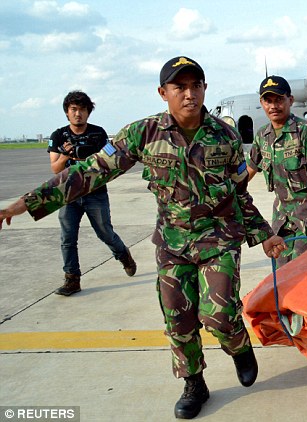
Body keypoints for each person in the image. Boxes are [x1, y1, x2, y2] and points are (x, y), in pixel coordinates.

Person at [0, 56, 287, 420]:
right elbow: (90, 172)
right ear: (162, 92)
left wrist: (264, 234)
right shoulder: (143, 133)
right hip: (172, 243)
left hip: (218, 238)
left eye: (195, 85)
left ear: (204, 89)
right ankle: (194, 383)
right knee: (178, 320)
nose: (189, 94)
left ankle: (238, 344)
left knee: (218, 315)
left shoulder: (224, 135)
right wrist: (27, 202)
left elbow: (238, 192)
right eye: (179, 87)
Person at [47, 91, 136, 296]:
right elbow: (55, 168)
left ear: (88, 112)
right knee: (67, 238)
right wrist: (66, 154)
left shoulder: (98, 134)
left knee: (105, 232)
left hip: (95, 192)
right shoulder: (59, 136)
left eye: (82, 109)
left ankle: (124, 256)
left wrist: (95, 158)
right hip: (68, 193)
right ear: (67, 113)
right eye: (74, 110)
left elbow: (110, 158)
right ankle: (72, 279)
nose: (78, 114)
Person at [247, 75, 307, 267]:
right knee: (282, 276)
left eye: (279, 99)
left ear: (290, 100)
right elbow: (249, 169)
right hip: (281, 221)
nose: (273, 106)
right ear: (262, 103)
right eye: (268, 101)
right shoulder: (262, 135)